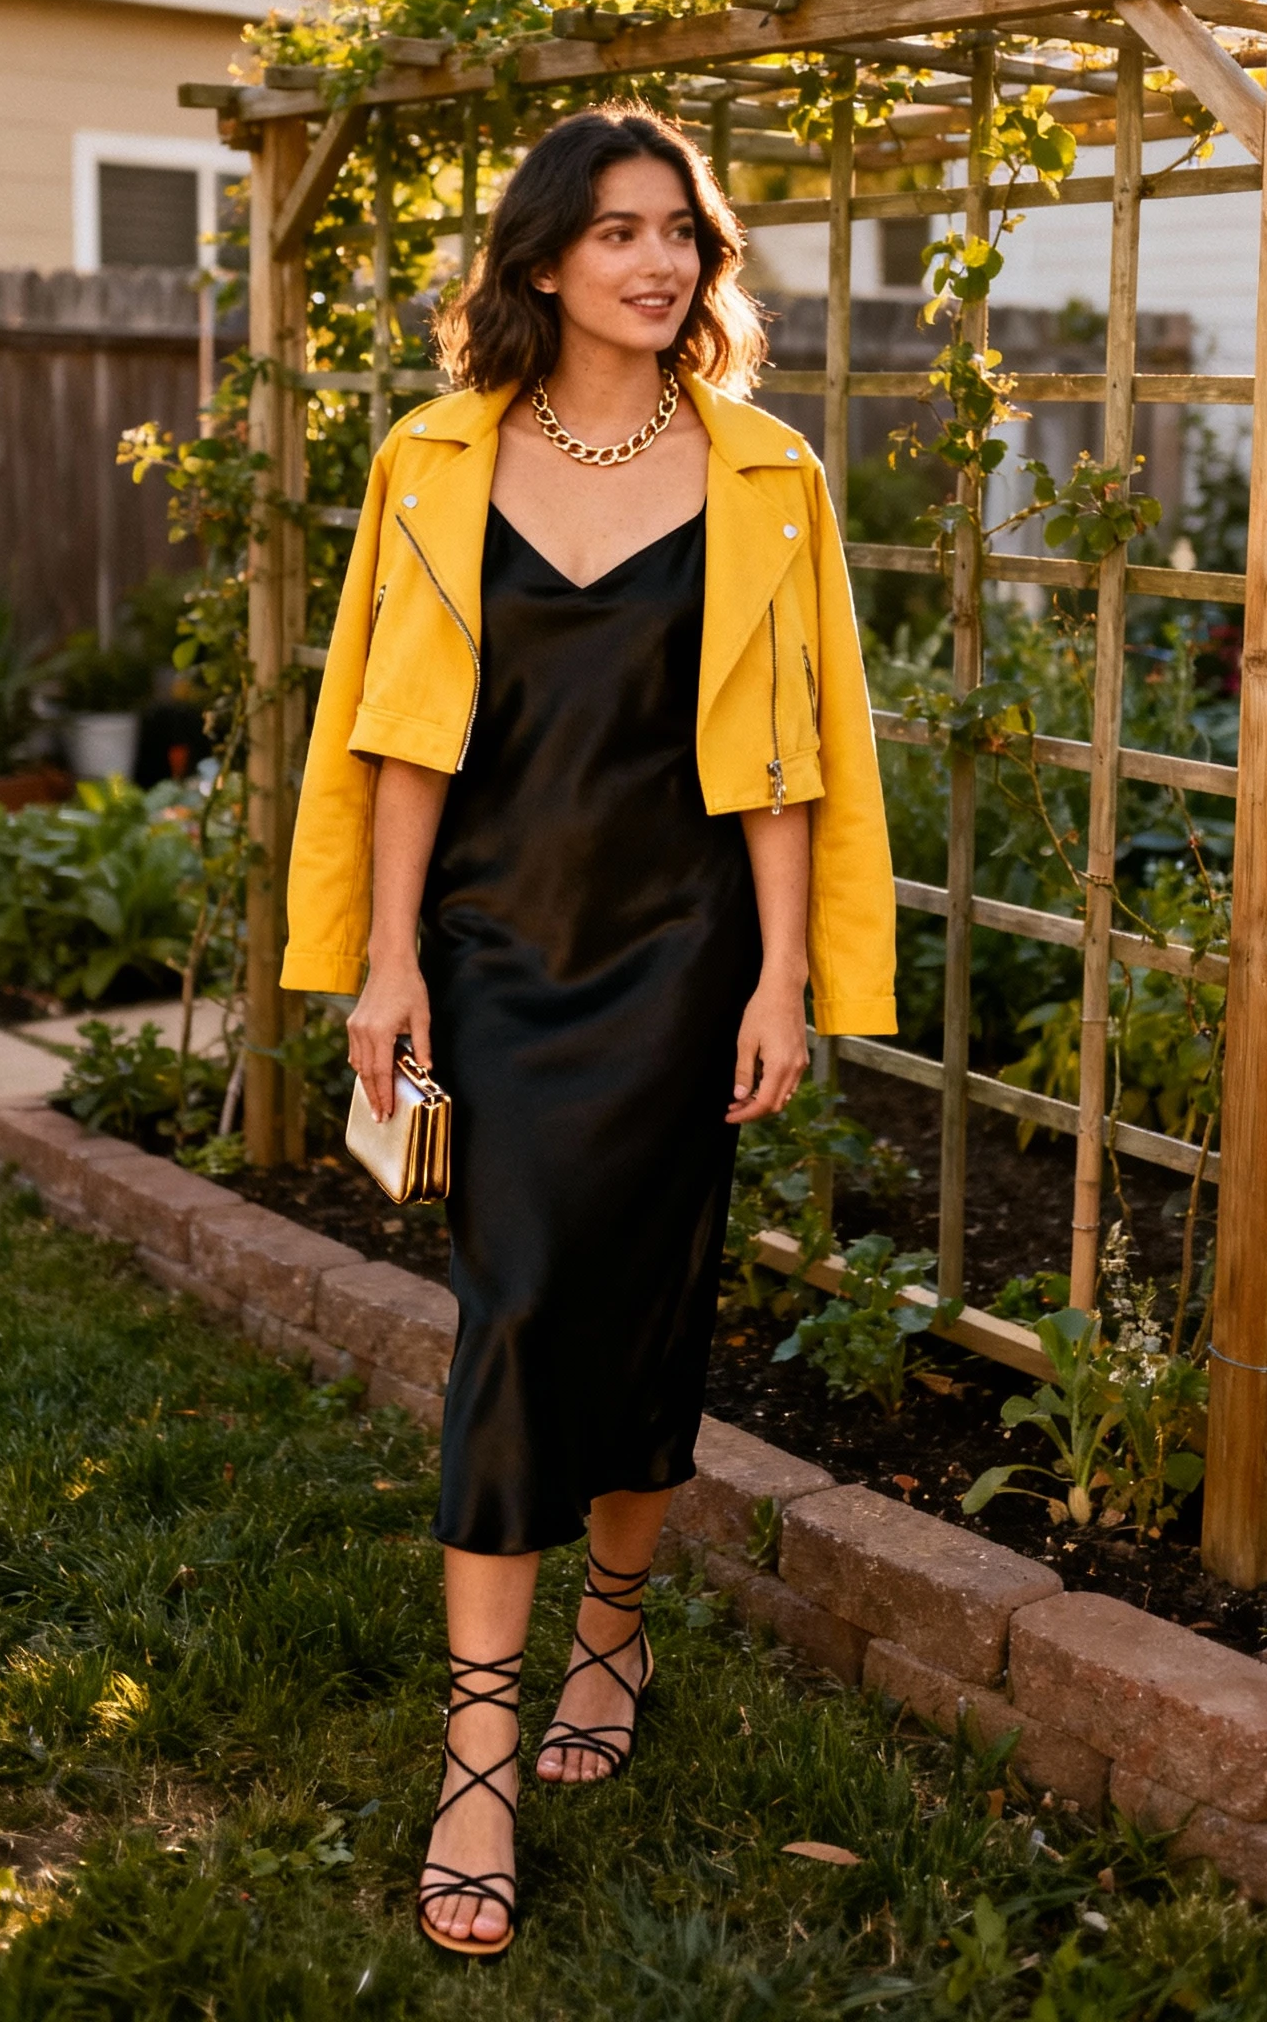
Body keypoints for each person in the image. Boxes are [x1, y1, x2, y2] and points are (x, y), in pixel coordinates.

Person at [283, 105, 896, 1957]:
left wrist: (784, 975)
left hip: (688, 952)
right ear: (543, 260)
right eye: (618, 232)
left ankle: (610, 1635)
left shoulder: (766, 473)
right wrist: (387, 959)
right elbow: (398, 735)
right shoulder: (434, 456)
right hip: (488, 948)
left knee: (647, 1299)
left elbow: (789, 752)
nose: (658, 263)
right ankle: (480, 1749)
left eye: (681, 236)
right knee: (522, 1303)